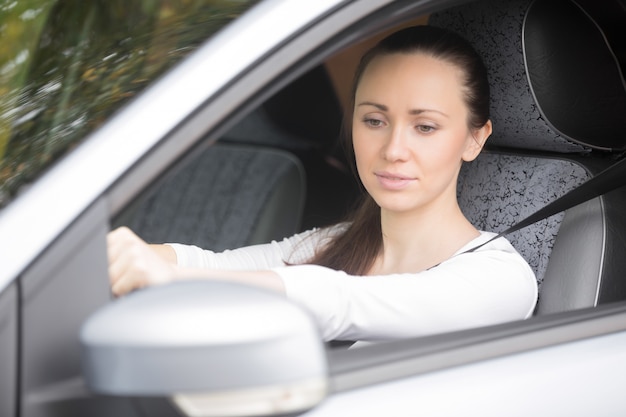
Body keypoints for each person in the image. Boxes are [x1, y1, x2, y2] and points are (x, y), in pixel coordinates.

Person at [107, 25, 538, 344]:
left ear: (473, 139)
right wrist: (120, 255)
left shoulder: (500, 279)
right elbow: (213, 265)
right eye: (374, 120)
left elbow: (338, 302)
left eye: (424, 127)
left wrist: (169, 282)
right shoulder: (338, 242)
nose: (393, 149)